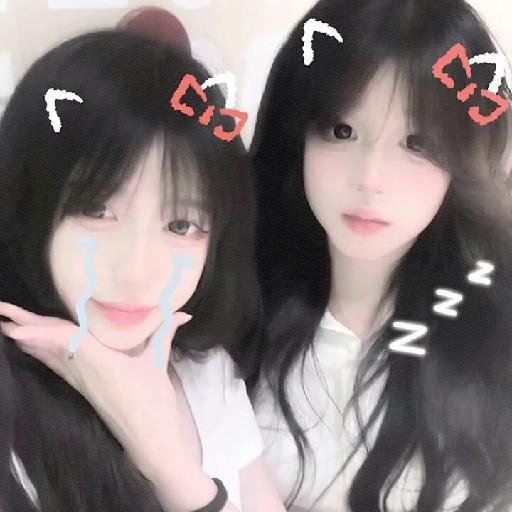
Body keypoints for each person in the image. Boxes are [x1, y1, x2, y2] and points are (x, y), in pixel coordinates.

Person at [0, 29, 285, 512]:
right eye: (96, 209)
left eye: (180, 224)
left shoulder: (204, 372)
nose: (136, 273)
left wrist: (172, 468)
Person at [243, 0, 512, 510]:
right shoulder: (234, 314)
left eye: (417, 142)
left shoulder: (495, 329)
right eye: (341, 131)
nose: (370, 179)